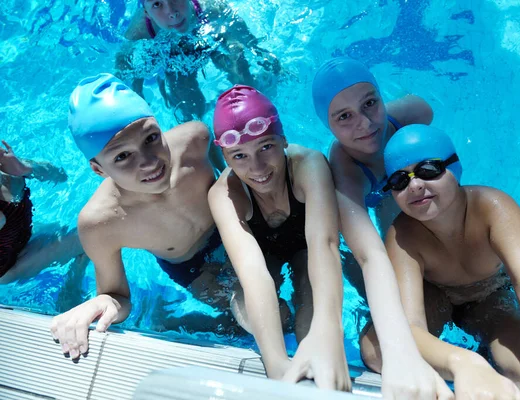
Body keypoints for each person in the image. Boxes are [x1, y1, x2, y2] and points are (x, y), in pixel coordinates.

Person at [381, 124, 520, 399]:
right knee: (376, 350)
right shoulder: (402, 236)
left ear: (454, 168)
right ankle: (475, 361)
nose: (416, 185)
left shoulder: (493, 209)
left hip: (488, 298)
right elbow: (409, 326)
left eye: (428, 169)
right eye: (400, 180)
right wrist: (464, 364)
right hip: (433, 298)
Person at [50, 73, 233, 359]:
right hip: (194, 266)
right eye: (122, 157)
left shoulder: (195, 139)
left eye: (151, 138)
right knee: (261, 318)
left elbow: (229, 175)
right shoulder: (100, 223)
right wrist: (100, 303)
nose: (148, 162)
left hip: (232, 226)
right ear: (99, 169)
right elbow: (118, 297)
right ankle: (171, 323)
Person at [312, 57, 452, 399]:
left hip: (434, 228)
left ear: (381, 97)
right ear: (327, 126)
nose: (365, 124)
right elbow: (369, 253)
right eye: (343, 117)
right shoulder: (344, 169)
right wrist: (399, 351)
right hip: (396, 232)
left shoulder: (412, 115)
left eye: (370, 103)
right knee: (374, 347)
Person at [208, 85, 351, 391]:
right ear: (225, 157)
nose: (257, 167)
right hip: (264, 257)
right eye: (239, 155)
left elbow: (324, 245)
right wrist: (275, 365)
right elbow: (254, 274)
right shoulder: (224, 194)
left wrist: (327, 335)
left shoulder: (308, 165)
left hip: (307, 248)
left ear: (283, 139)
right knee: (245, 306)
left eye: (266, 147)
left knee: (311, 300)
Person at [116, 0, 281, 122]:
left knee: (238, 58)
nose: (172, 12)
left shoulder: (209, 6)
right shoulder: (139, 30)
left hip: (209, 39)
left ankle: (254, 114)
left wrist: (258, 51)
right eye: (158, 4)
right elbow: (123, 65)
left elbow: (240, 30)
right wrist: (136, 96)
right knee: (188, 107)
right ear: (146, 13)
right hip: (172, 56)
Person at [0, 141, 85, 284]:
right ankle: (72, 287)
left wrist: (25, 169)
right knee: (88, 236)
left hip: (21, 236)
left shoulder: (7, 166)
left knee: (66, 227)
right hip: (9, 268)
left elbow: (60, 176)